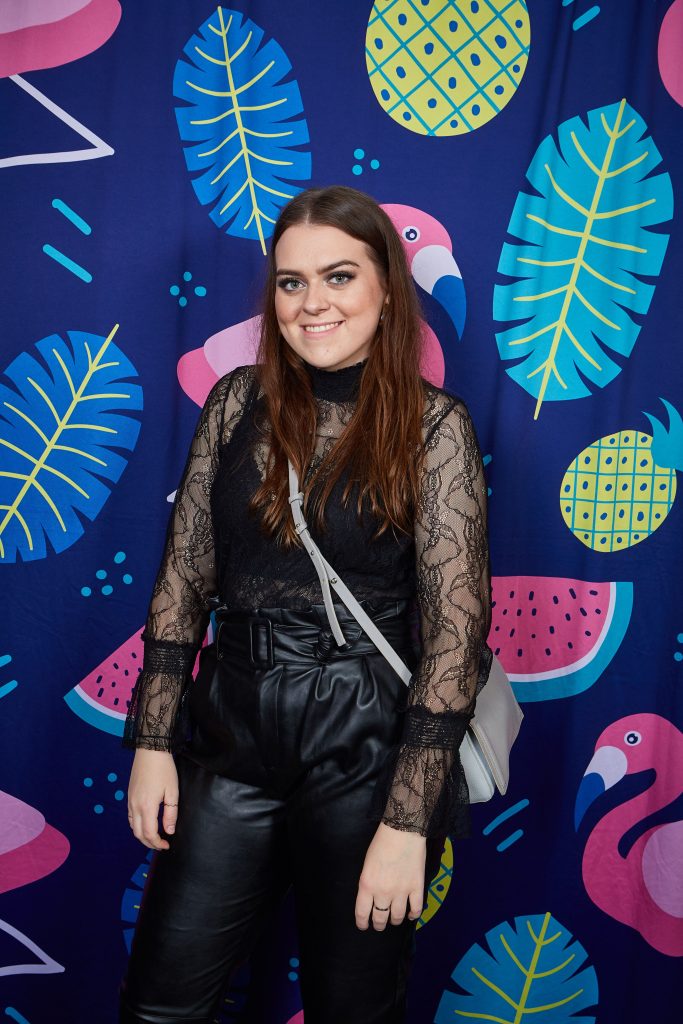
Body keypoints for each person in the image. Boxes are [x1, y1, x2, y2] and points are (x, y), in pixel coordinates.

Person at [118, 184, 492, 1024]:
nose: (312, 303)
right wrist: (153, 739)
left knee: (352, 1010)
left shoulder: (435, 428)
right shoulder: (234, 402)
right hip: (230, 726)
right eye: (291, 282)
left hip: (365, 743)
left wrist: (406, 821)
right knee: (159, 1006)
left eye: (338, 276)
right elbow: (185, 577)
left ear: (386, 289)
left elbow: (455, 633)